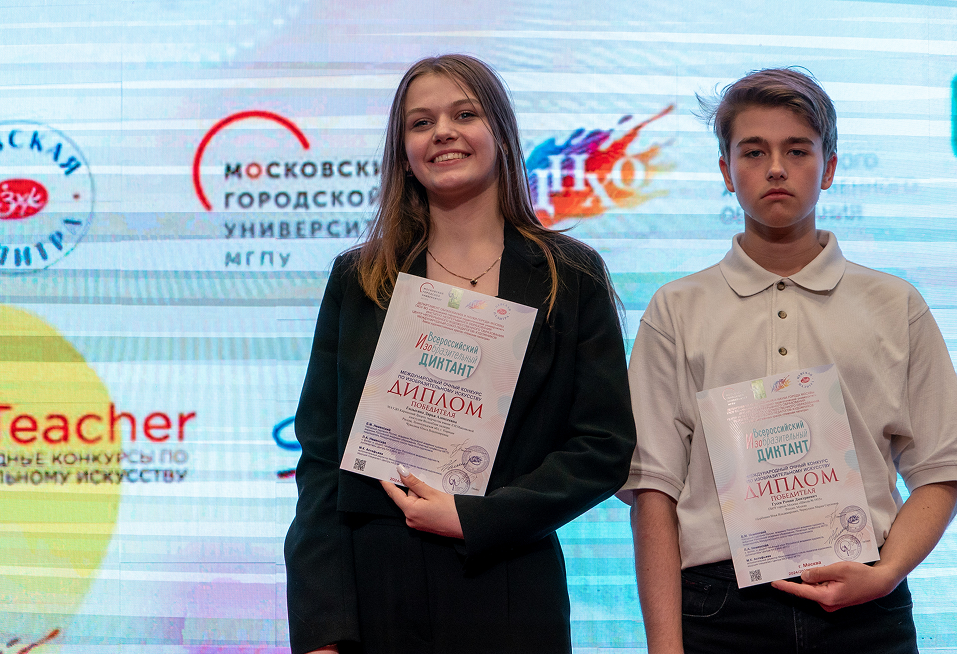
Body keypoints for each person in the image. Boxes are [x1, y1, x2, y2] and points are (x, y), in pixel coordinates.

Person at [284, 54, 636, 654]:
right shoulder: (360, 279)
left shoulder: (569, 275)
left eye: (465, 114)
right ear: (403, 153)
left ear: (501, 133)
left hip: (510, 583)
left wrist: (477, 519)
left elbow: (603, 446)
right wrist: (324, 630)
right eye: (421, 123)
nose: (443, 132)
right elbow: (321, 460)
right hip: (376, 590)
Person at [619, 67, 957, 654]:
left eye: (797, 150)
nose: (776, 168)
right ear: (726, 171)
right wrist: (665, 647)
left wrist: (885, 573)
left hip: (866, 604)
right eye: (753, 152)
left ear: (829, 167)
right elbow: (653, 489)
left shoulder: (895, 303)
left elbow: (941, 467)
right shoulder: (676, 308)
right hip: (719, 609)